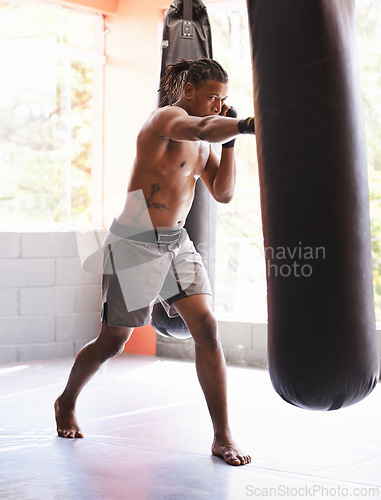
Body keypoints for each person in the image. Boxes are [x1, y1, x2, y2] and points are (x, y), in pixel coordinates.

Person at [55, 57, 255, 466]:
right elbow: (199, 126)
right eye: (212, 96)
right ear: (189, 93)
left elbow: (223, 192)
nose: (218, 106)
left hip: (176, 242)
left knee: (207, 328)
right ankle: (66, 401)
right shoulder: (166, 118)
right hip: (135, 241)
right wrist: (246, 125)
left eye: (224, 99)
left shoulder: (206, 144)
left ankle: (222, 435)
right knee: (113, 342)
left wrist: (232, 144)